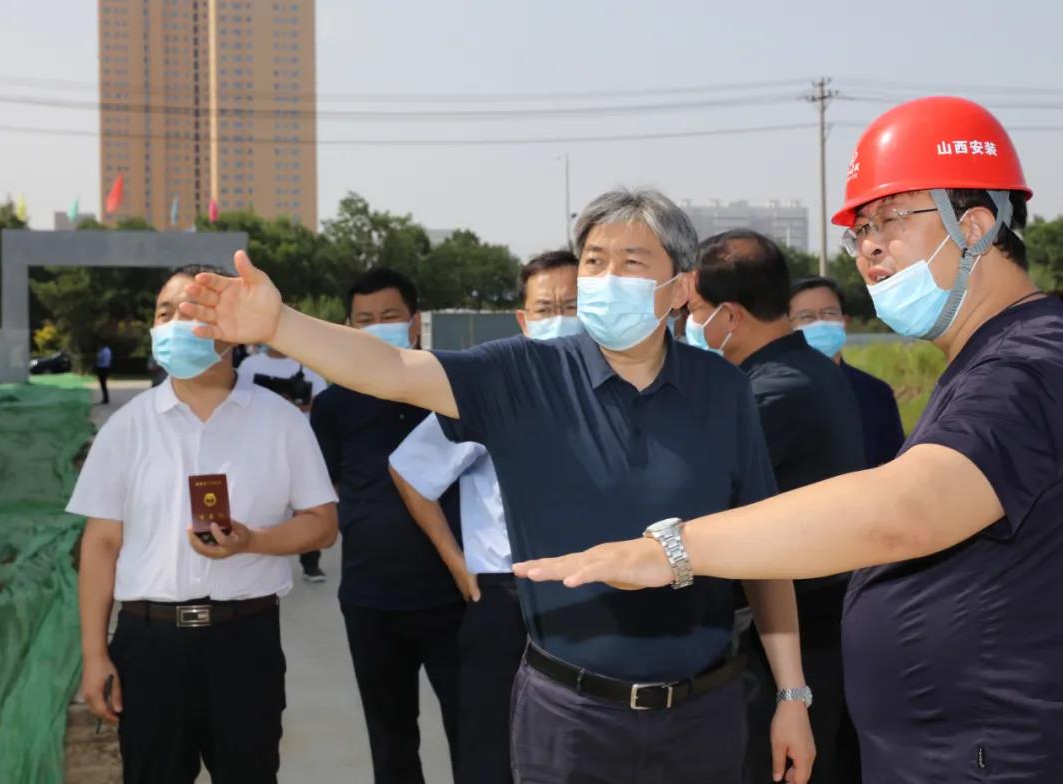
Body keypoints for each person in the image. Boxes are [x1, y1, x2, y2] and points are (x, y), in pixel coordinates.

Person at [180, 189, 816, 784]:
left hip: (703, 715)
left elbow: (763, 550)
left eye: (630, 262)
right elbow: (393, 367)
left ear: (681, 287)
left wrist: (792, 696)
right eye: (593, 262)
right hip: (570, 717)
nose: (605, 278)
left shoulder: (723, 390)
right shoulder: (525, 375)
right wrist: (281, 325)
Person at [514, 97, 1063, 784]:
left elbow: (905, 510)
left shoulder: (1030, 363)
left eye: (889, 220)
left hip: (993, 755)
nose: (868, 249)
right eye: (860, 230)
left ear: (974, 226)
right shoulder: (989, 359)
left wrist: (670, 551)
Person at [71, 264, 338, 784]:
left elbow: (322, 524)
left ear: (230, 326)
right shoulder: (127, 427)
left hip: (245, 643)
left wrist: (253, 541)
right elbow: (101, 543)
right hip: (149, 645)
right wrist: (94, 654)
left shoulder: (281, 421)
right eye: (163, 313)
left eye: (190, 310)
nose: (174, 323)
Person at [388, 250, 581, 784]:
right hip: (506, 598)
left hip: (596, 594)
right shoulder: (492, 389)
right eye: (545, 308)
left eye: (572, 306)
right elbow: (410, 470)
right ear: (523, 319)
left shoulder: (617, 390)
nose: (559, 318)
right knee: (492, 753)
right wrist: (456, 561)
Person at [685, 231, 865, 784]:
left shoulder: (771, 392)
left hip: (793, 638)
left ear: (730, 316)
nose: (687, 322)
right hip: (810, 628)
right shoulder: (804, 370)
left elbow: (697, 497)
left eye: (694, 310)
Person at [308, 267, 466, 784]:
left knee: (474, 734)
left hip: (457, 597)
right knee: (392, 742)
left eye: (390, 316)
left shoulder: (450, 389)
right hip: (371, 601)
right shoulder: (332, 406)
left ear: (415, 323)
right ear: (349, 328)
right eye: (365, 320)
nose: (378, 327)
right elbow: (327, 488)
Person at [788, 276, 906, 466]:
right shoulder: (774, 392)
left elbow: (892, 465)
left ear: (844, 320)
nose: (820, 322)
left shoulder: (875, 393)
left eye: (829, 313)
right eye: (806, 317)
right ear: (787, 327)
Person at [238, 346, 329, 582]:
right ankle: (254, 555)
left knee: (308, 508)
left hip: (300, 446)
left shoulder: (310, 366)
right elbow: (238, 399)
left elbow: (324, 404)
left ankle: (311, 563)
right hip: (257, 444)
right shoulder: (250, 365)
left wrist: (296, 403)